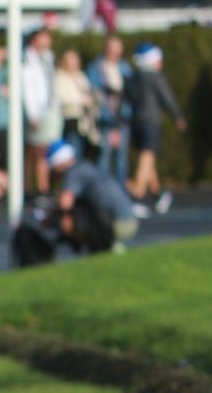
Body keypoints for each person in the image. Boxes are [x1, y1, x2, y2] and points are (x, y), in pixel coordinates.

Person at [125, 42, 184, 215]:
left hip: (135, 121)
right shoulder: (154, 76)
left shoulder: (132, 76)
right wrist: (178, 116)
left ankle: (157, 195)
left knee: (147, 158)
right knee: (147, 155)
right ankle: (137, 196)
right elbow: (167, 97)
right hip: (150, 121)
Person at [51, 139, 138, 253]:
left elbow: (65, 203)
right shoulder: (86, 166)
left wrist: (51, 217)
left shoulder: (74, 172)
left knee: (71, 215)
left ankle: (108, 246)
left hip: (118, 223)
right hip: (129, 219)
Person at [21, 26, 60, 194]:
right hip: (37, 111)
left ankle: (39, 187)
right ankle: (36, 188)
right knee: (37, 151)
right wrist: (33, 114)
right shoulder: (26, 59)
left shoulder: (47, 57)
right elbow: (28, 89)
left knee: (43, 150)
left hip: (49, 108)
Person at [87, 35, 130, 183]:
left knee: (121, 159)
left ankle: (120, 191)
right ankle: (101, 189)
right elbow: (94, 91)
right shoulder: (97, 68)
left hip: (122, 117)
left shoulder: (124, 67)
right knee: (104, 157)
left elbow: (129, 91)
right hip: (105, 118)